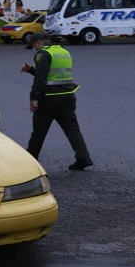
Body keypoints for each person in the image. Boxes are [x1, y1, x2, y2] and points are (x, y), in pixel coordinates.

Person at [20, 33, 93, 170]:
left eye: (33, 46)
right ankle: (83, 157)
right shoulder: (63, 51)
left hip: (49, 97)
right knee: (72, 129)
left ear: (37, 43)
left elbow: (41, 79)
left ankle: (30, 161)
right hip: (68, 95)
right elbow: (53, 74)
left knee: (39, 131)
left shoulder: (43, 54)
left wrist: (33, 98)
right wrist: (30, 70)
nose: (34, 49)